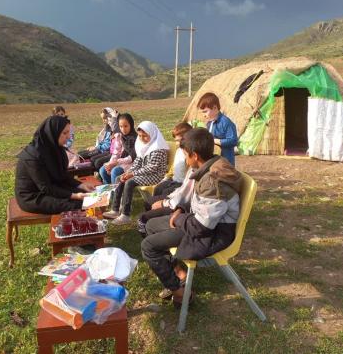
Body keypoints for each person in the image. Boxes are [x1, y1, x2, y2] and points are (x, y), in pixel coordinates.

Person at [141, 128, 241, 306]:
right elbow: (200, 205)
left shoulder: (212, 181)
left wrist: (178, 219)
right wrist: (179, 209)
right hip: (202, 223)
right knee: (150, 226)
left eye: (186, 155)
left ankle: (180, 292)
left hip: (213, 234)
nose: (186, 160)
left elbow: (202, 227)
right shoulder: (209, 166)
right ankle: (178, 273)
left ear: (194, 156)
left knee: (148, 246)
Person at [15, 116, 95, 214]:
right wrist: (74, 195)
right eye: (64, 133)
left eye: (68, 132)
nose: (69, 136)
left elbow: (63, 175)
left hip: (53, 187)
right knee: (77, 204)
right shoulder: (33, 156)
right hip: (34, 196)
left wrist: (81, 185)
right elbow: (45, 187)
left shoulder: (56, 148)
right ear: (53, 133)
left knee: (88, 196)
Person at [103, 121, 169, 225]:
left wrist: (133, 174)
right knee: (119, 178)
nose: (142, 138)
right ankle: (115, 209)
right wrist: (128, 172)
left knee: (130, 182)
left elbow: (151, 168)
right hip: (145, 174)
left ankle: (125, 214)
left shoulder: (158, 147)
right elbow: (138, 162)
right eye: (140, 136)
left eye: (145, 136)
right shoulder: (143, 145)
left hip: (156, 175)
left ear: (152, 134)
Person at [197, 92, 238, 166]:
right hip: (214, 160)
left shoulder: (226, 122)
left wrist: (215, 141)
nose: (204, 115)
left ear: (215, 108)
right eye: (202, 112)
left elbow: (233, 141)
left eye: (205, 111)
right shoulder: (210, 123)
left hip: (226, 161)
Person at [99, 113, 137, 185]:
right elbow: (116, 152)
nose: (123, 129)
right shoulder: (119, 136)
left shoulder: (135, 138)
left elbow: (132, 157)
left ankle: (116, 192)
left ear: (131, 125)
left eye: (126, 126)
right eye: (121, 126)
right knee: (103, 170)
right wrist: (110, 164)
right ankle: (108, 190)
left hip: (132, 163)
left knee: (115, 171)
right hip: (119, 162)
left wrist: (116, 163)